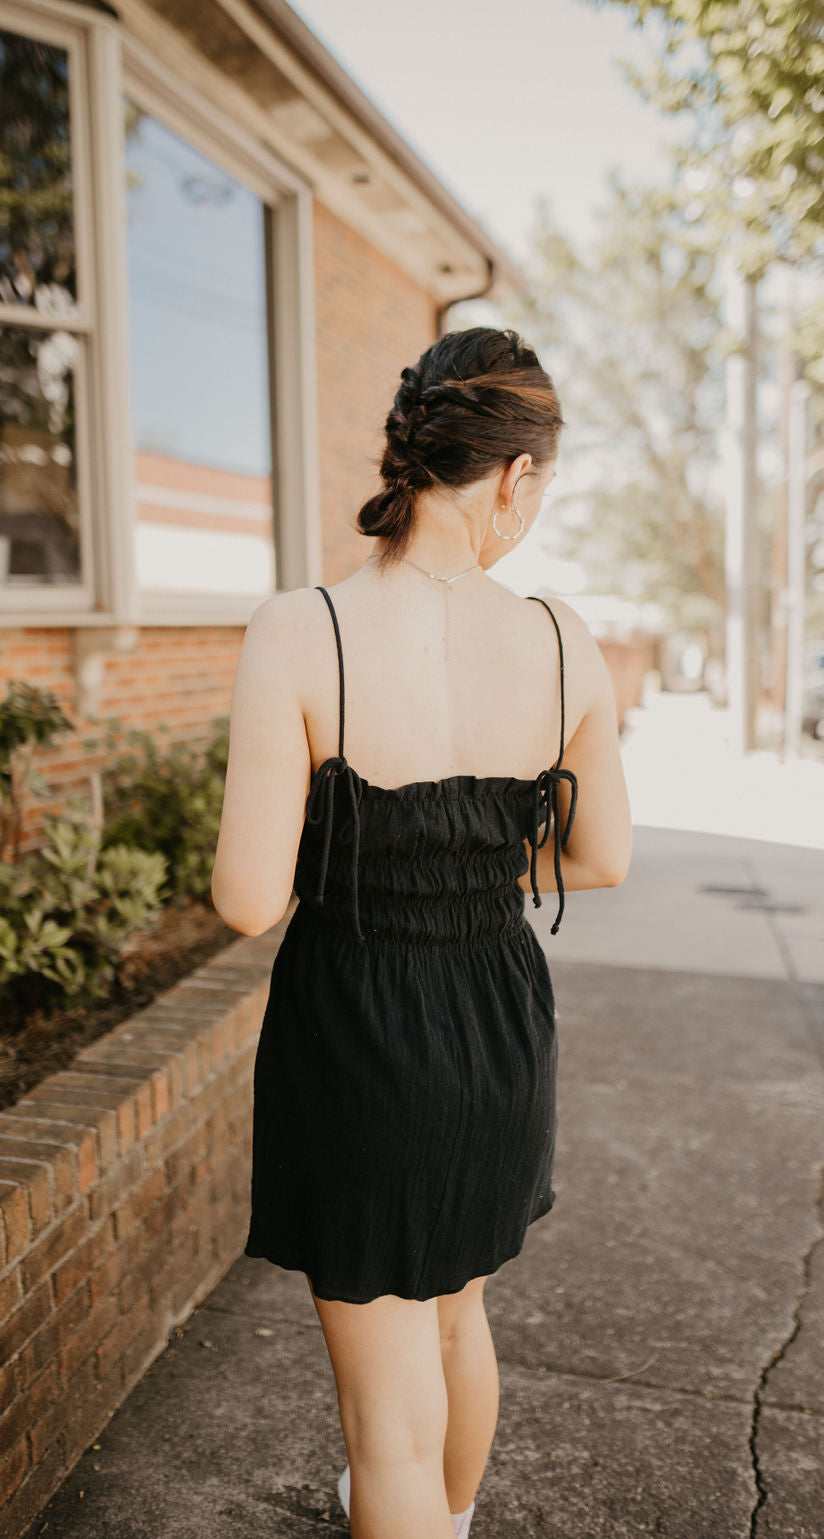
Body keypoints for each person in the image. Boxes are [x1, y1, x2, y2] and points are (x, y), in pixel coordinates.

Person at [211, 326, 632, 1539]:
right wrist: (475, 861)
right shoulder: (561, 638)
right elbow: (600, 858)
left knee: (381, 1423)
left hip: (359, 1033)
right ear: (513, 475)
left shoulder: (303, 628)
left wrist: (367, 851)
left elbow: (247, 898)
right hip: (498, 1026)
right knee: (458, 1316)